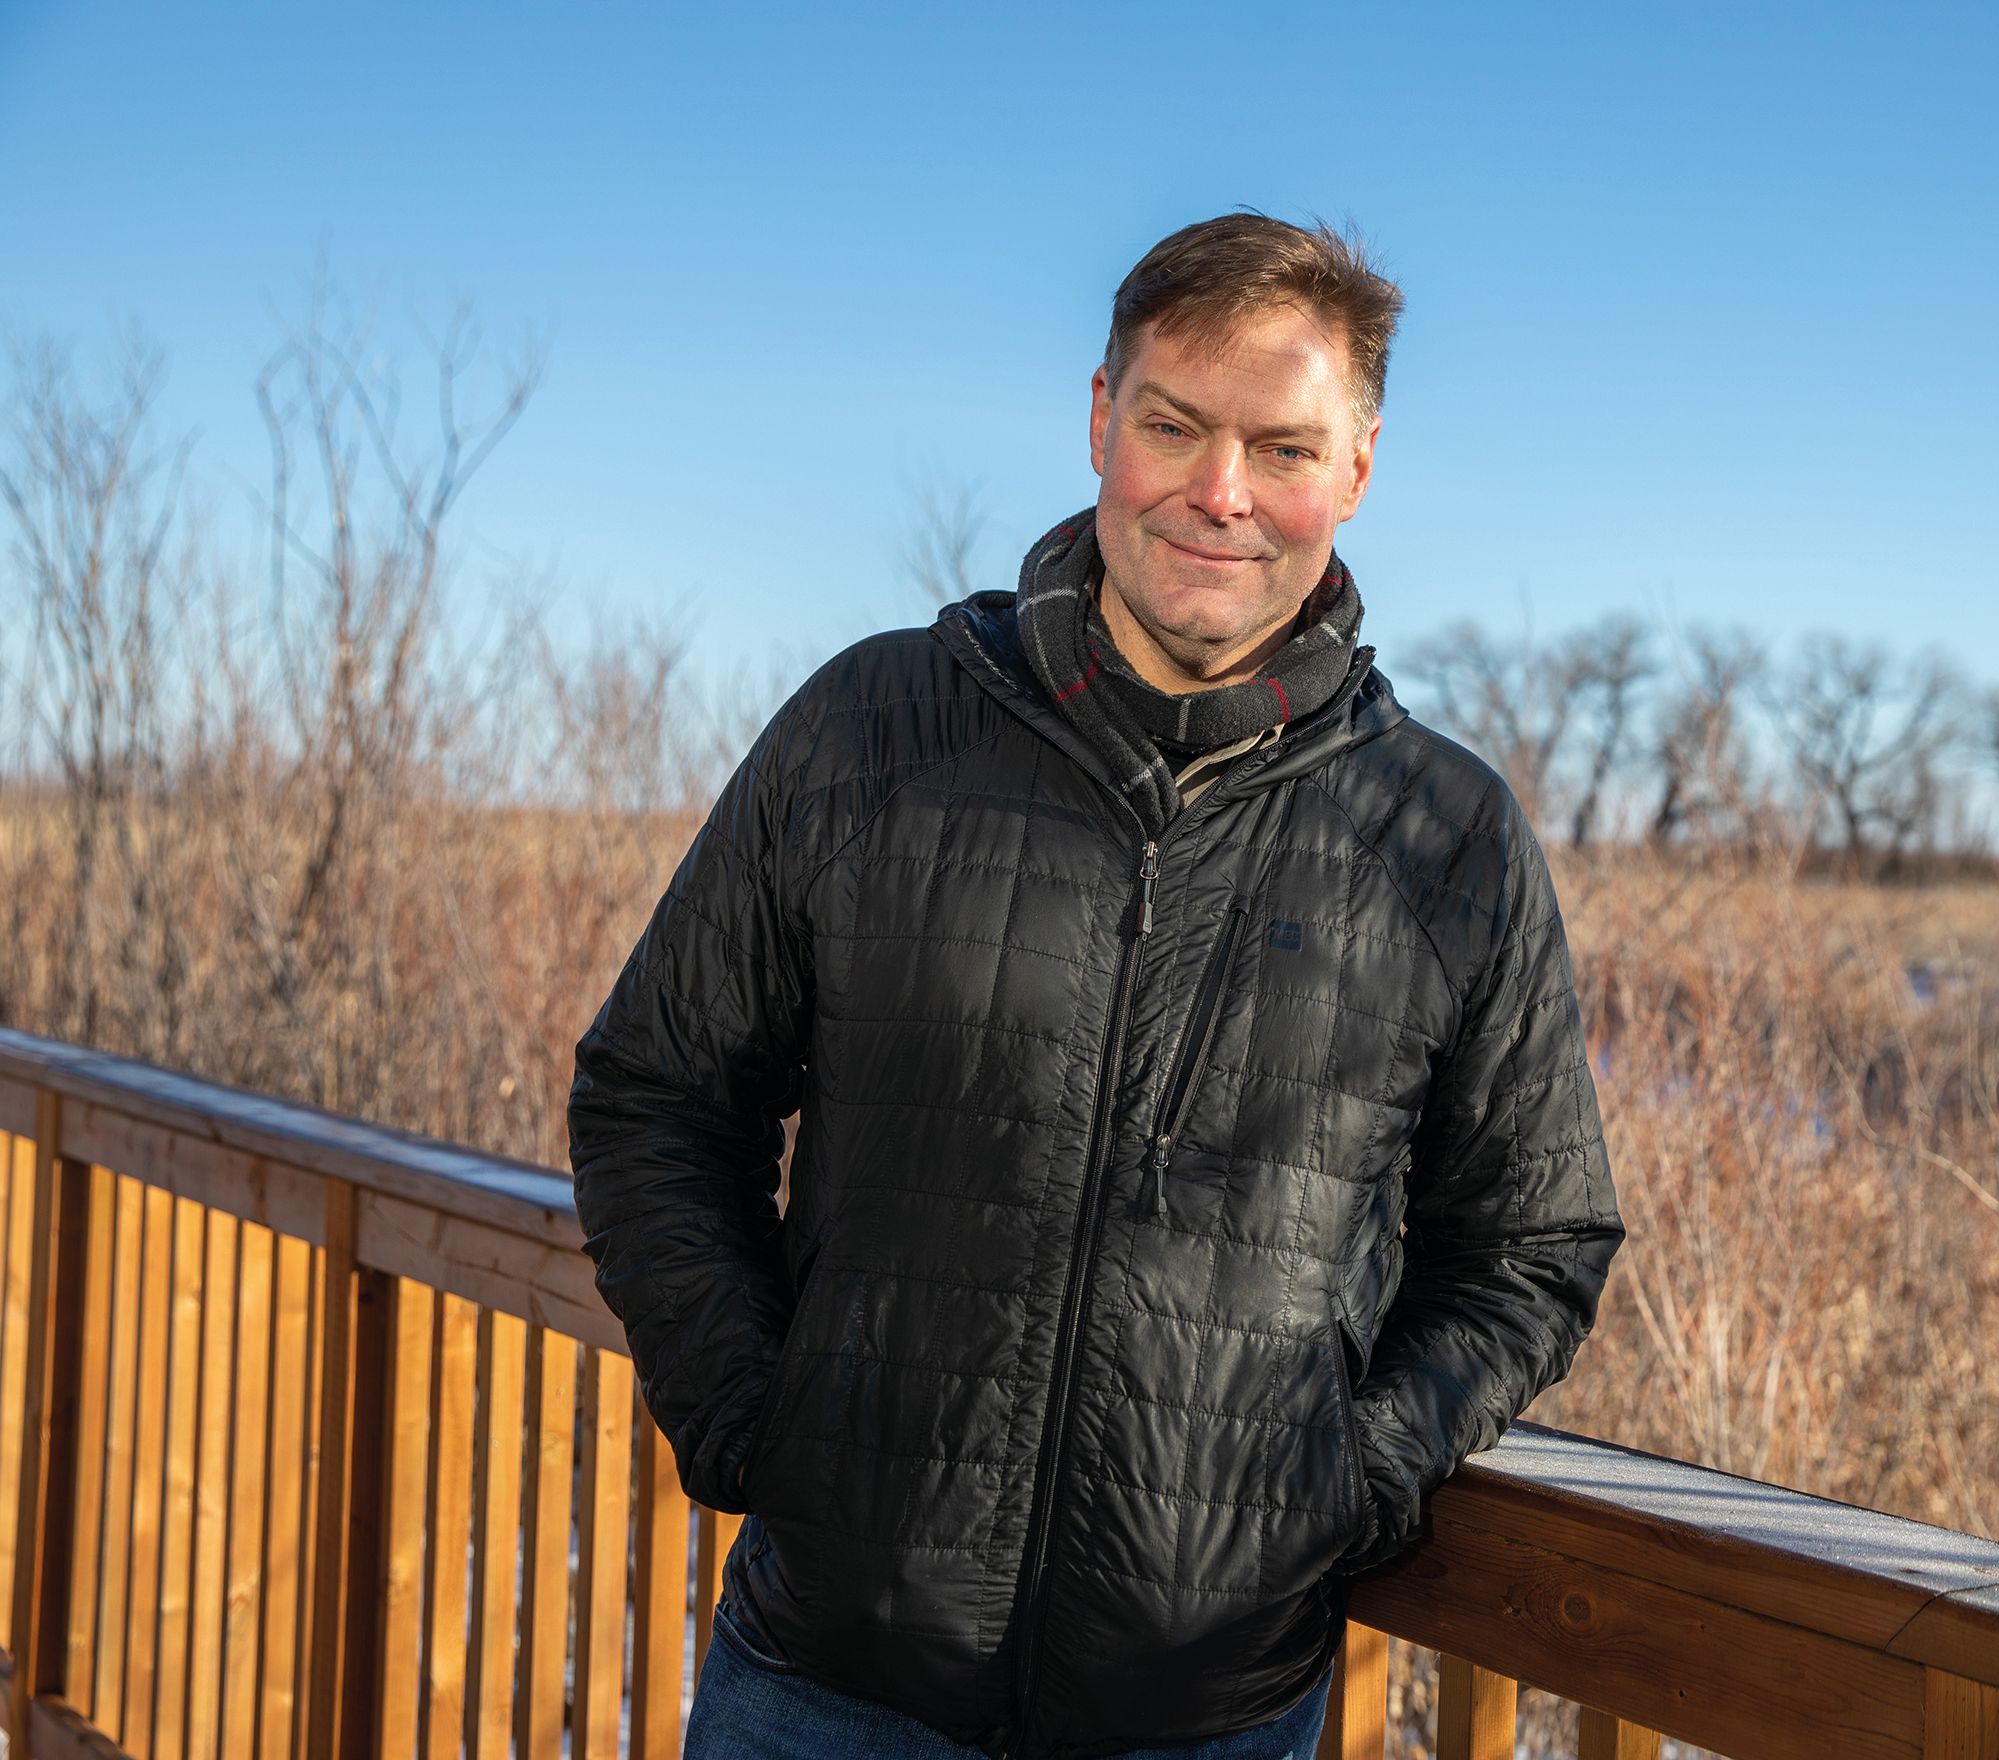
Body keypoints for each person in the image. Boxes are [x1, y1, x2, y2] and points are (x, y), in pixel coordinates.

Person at [568, 214, 1624, 1760]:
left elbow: (1533, 1238)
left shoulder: (1444, 837)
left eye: (1282, 446)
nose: (1220, 492)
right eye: (1173, 425)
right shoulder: (874, 728)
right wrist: (753, 1420)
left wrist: (1343, 1487)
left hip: (1204, 1713)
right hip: (827, 1688)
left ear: (1356, 471)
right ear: (1098, 419)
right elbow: (658, 1094)